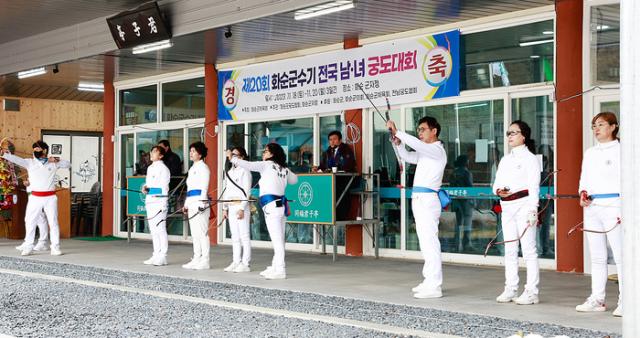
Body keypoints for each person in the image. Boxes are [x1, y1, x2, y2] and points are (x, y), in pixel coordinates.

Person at [387, 116, 447, 299]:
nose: (419, 133)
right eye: (418, 130)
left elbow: (418, 146)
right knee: (424, 242)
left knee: (430, 242)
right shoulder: (426, 152)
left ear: (434, 131)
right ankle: (429, 280)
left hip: (428, 199)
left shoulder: (437, 149)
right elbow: (407, 156)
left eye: (423, 129)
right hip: (420, 198)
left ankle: (435, 285)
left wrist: (398, 132)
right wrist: (398, 144)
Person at [227, 143, 298, 280]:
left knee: (277, 240)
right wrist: (284, 171)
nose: (263, 153)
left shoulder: (266, 165)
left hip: (272, 206)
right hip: (279, 206)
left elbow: (248, 165)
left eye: (266, 151)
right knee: (279, 239)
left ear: (272, 154)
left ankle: (280, 269)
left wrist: (233, 158)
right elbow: (295, 180)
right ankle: (275, 266)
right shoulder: (283, 168)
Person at [575, 112, 622, 317]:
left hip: (615, 204)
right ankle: (597, 298)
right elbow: (584, 178)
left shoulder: (623, 149)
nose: (596, 129)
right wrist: (582, 194)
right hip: (592, 206)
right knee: (597, 256)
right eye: (594, 125)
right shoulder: (590, 152)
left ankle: (627, 299)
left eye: (601, 124)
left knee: (621, 256)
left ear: (613, 126)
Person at [492, 120, 541, 305]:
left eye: (514, 132)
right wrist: (498, 191)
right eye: (508, 133)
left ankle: (531, 291)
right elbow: (495, 184)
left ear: (524, 135)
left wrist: (533, 210)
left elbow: (534, 187)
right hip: (507, 207)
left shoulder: (530, 159)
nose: (510, 136)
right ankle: (511, 288)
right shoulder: (506, 159)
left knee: (529, 250)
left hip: (524, 207)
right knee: (510, 249)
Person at [1, 140, 70, 256]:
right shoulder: (30, 162)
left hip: (50, 197)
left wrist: (56, 160)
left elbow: (68, 164)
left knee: (53, 222)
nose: (36, 151)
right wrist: (4, 154)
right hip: (35, 197)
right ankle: (28, 246)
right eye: (34, 149)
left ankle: (55, 247)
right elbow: (17, 159)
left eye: (38, 149)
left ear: (45, 150)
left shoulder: (53, 163)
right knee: (30, 221)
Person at [222, 146, 252, 273]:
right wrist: (224, 207)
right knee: (235, 236)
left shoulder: (245, 171)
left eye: (235, 155)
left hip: (241, 206)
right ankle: (236, 261)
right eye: (231, 155)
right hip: (231, 205)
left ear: (242, 157)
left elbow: (247, 191)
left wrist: (242, 208)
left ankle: (245, 263)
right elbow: (227, 190)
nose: (232, 157)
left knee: (244, 236)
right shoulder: (229, 172)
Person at [181, 142, 211, 270]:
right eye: (190, 151)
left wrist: (203, 203)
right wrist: (186, 204)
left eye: (193, 151)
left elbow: (204, 187)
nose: (191, 153)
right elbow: (189, 189)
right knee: (194, 232)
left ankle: (205, 260)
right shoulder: (192, 168)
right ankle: (196, 257)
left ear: (200, 154)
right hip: (192, 201)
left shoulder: (204, 168)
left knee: (202, 232)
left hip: (200, 201)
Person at [316, 131, 356, 220]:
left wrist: (338, 168)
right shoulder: (327, 152)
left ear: (340, 140)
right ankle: (328, 215)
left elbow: (349, 164)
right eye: (330, 140)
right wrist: (318, 169)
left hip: (343, 180)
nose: (332, 142)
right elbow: (322, 166)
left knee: (341, 197)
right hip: (330, 181)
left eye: (334, 139)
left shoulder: (346, 149)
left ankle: (340, 216)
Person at [142, 145, 171, 266]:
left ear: (161, 155)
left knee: (160, 229)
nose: (151, 153)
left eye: (155, 152)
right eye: (151, 151)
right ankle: (156, 254)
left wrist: (163, 204)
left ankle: (163, 256)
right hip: (150, 202)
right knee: (153, 230)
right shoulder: (150, 168)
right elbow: (149, 185)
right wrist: (145, 188)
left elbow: (164, 189)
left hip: (159, 202)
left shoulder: (164, 169)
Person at [14, 178, 49, 252]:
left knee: (41, 219)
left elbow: (41, 181)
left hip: (39, 196)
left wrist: (30, 183)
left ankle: (43, 243)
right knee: (29, 219)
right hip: (32, 195)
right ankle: (28, 242)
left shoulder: (40, 168)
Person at [449, 155, 474, 252]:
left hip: (456, 201)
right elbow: (470, 188)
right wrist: (473, 201)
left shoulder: (453, 173)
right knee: (467, 223)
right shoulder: (466, 173)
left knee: (458, 223)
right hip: (466, 201)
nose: (468, 162)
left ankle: (457, 244)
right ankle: (466, 244)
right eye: (467, 161)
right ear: (465, 162)